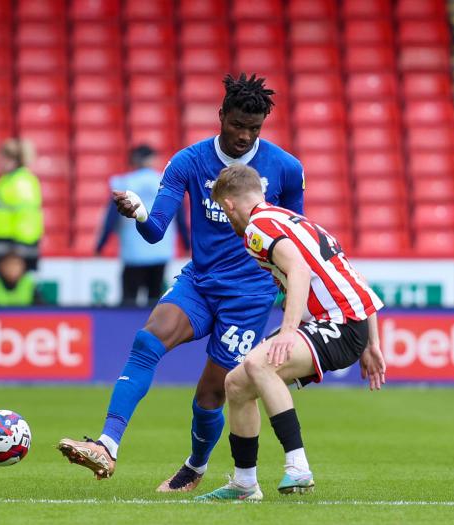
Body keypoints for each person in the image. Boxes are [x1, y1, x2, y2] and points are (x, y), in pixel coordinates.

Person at [59, 73, 305, 492]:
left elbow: (296, 237)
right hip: (201, 283)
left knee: (211, 395)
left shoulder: (285, 168)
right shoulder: (189, 161)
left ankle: (194, 467)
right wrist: (138, 211)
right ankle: (107, 444)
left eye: (254, 129)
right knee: (147, 341)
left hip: (249, 295)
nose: (244, 136)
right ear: (221, 115)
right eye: (237, 125)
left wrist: (287, 296)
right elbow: (156, 230)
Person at [196, 163, 386, 501]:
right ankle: (244, 484)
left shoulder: (257, 228)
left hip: (337, 324)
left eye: (227, 214)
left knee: (260, 364)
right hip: (351, 322)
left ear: (228, 205)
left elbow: (298, 269)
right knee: (236, 384)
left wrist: (287, 332)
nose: (230, 222)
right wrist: (372, 342)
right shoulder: (292, 220)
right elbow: (354, 276)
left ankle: (298, 467)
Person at [96, 145, 190, 307]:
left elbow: (111, 219)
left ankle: (125, 331)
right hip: (160, 250)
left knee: (128, 300)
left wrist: (100, 245)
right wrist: (187, 244)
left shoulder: (123, 183)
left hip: (133, 253)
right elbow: (180, 217)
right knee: (155, 300)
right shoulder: (165, 181)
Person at [0, 138, 43, 290]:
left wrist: (18, 251)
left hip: (11, 250)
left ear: (11, 160)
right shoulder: (5, 181)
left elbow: (26, 219)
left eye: (1, 158)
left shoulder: (21, 183)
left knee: (15, 294)